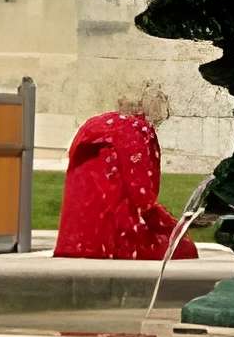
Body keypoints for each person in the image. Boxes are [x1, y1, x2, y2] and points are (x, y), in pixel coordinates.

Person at [53, 105, 193, 260]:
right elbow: (143, 194)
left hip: (75, 239)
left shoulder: (93, 125)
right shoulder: (138, 128)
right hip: (115, 236)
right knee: (181, 248)